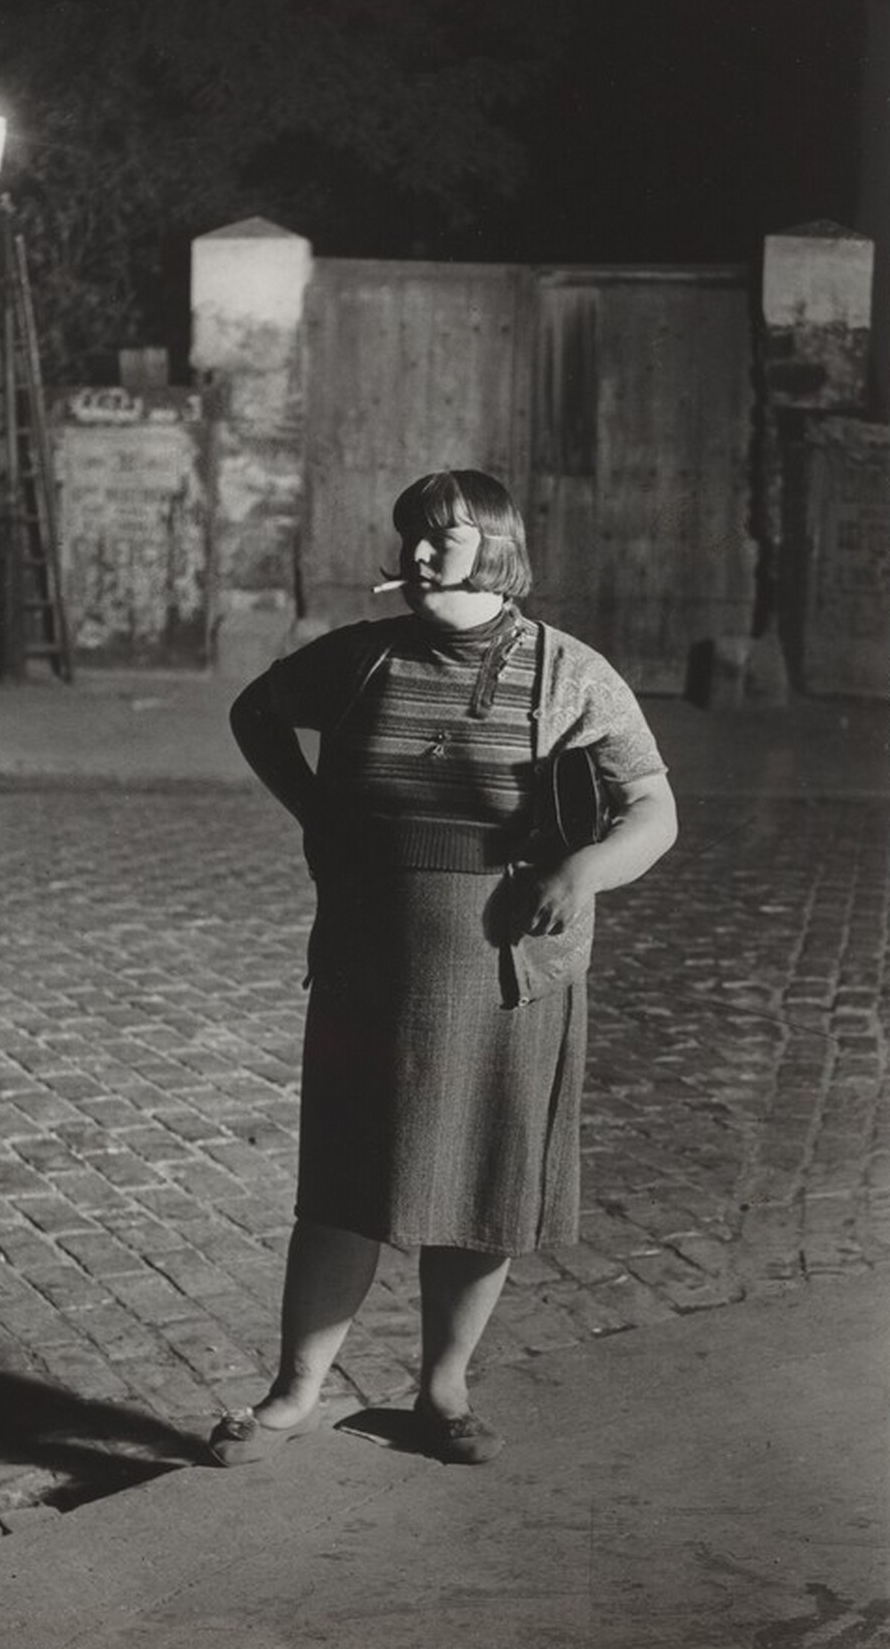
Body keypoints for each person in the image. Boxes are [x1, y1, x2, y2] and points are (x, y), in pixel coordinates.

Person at [210, 469, 677, 1467]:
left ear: (499, 550)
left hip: (503, 965)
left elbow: (654, 811)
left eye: (445, 538)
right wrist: (315, 810)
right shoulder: (359, 658)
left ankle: (443, 1391)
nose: (418, 555)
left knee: (483, 1182)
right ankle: (294, 1394)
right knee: (343, 1181)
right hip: (369, 958)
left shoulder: (570, 672)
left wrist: (582, 871)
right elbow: (257, 712)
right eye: (411, 536)